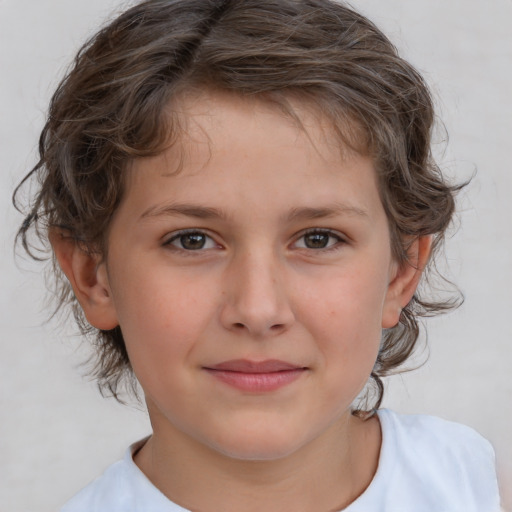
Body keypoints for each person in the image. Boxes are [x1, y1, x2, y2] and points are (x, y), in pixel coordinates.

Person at [13, 0, 501, 510]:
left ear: (401, 271)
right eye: (192, 240)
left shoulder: (484, 488)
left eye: (318, 239)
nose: (258, 310)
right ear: (95, 276)